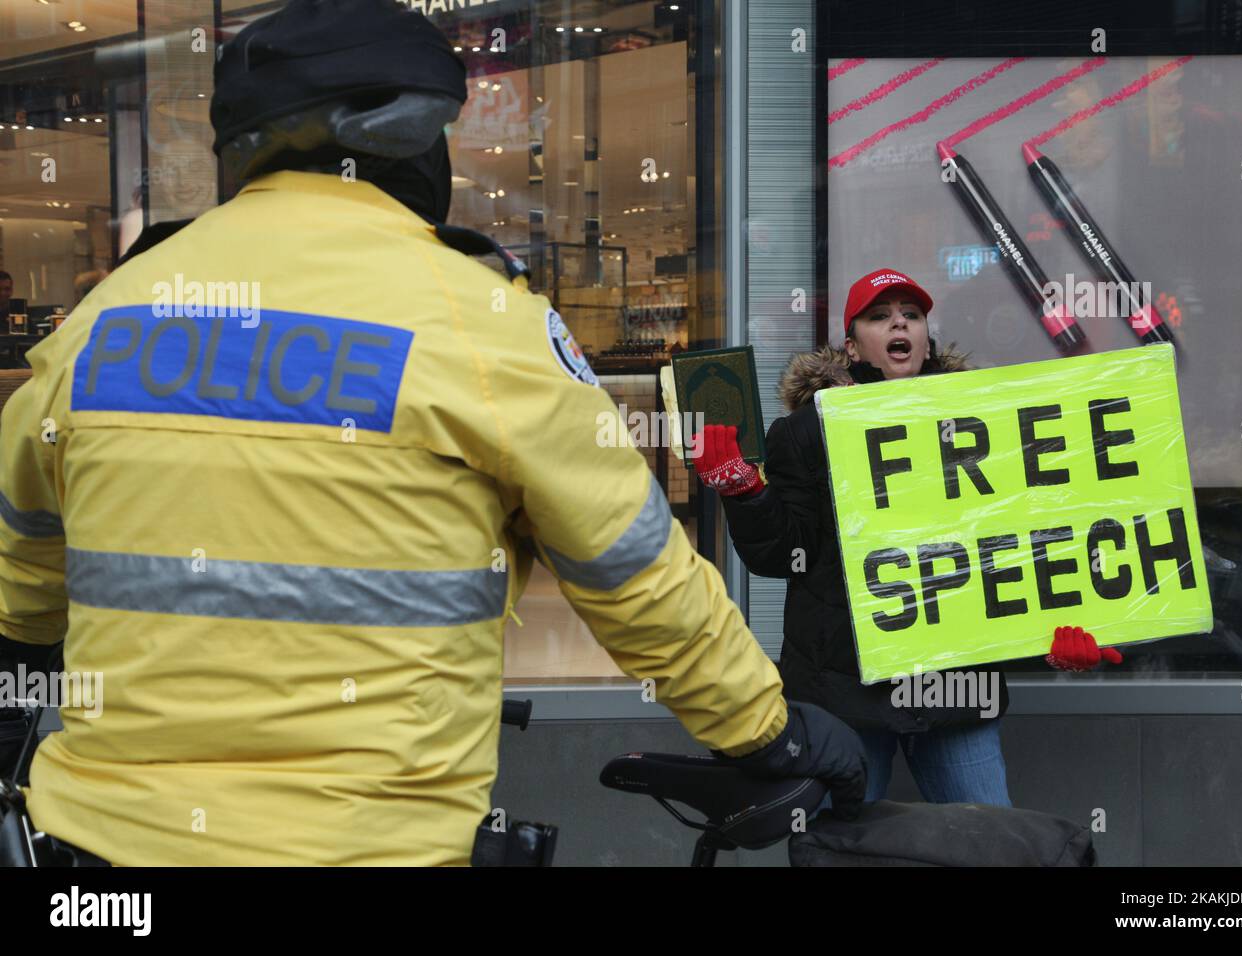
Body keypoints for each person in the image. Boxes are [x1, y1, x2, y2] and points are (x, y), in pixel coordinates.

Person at [0, 0, 866, 866]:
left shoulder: (100, 322)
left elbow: (21, 592)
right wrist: (769, 731)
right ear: (414, 144)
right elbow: (639, 578)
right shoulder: (483, 323)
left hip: (94, 862)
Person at [698, 268, 1120, 806]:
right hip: (847, 694)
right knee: (846, 853)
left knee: (989, 842)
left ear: (925, 337)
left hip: (956, 691)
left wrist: (1050, 642)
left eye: (911, 315)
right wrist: (745, 494)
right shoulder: (806, 432)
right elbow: (783, 554)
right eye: (880, 316)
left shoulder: (981, 423)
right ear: (851, 348)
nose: (899, 321)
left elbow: (1017, 547)